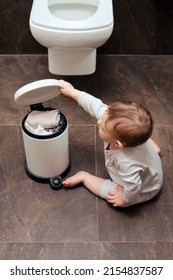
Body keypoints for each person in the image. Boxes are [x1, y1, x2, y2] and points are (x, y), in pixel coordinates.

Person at [59, 80, 163, 207]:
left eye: (102, 127)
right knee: (136, 136)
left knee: (112, 194)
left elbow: (133, 188)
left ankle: (84, 177)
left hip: (147, 187)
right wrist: (72, 92)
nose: (98, 122)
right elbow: (95, 105)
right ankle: (152, 150)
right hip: (149, 166)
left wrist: (124, 199)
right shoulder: (110, 120)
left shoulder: (126, 162)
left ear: (118, 144)